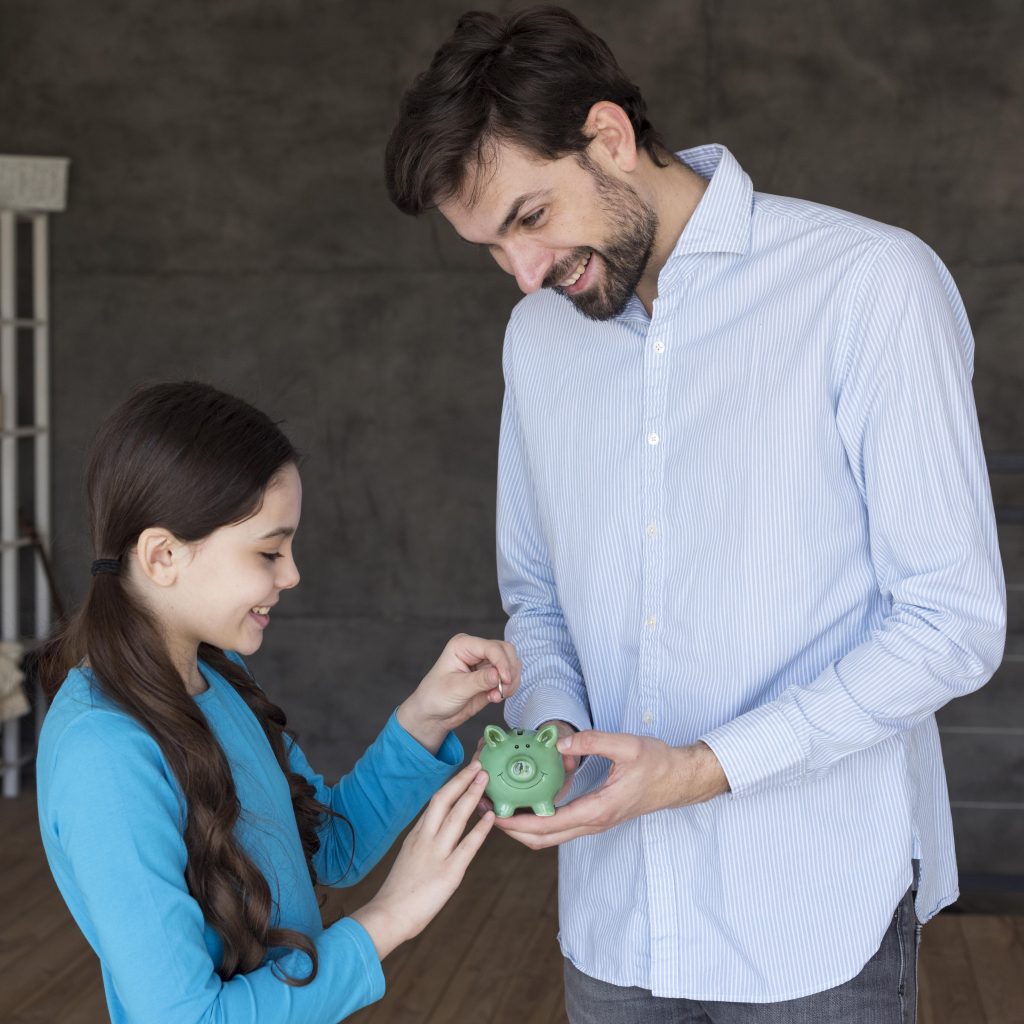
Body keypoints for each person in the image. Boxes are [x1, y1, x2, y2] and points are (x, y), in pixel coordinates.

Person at [384, 7, 1007, 1021]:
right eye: (490, 248)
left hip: (812, 916)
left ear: (612, 138)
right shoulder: (537, 341)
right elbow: (536, 595)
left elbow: (951, 622)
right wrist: (551, 742)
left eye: (530, 218)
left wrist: (705, 771)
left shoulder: (868, 287)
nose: (526, 274)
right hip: (613, 918)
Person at [36, 381, 520, 1023]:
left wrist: (423, 719)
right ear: (163, 555)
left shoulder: (218, 677)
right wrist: (390, 917)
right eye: (269, 551)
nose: (291, 575)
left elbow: (325, 848)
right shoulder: (103, 756)